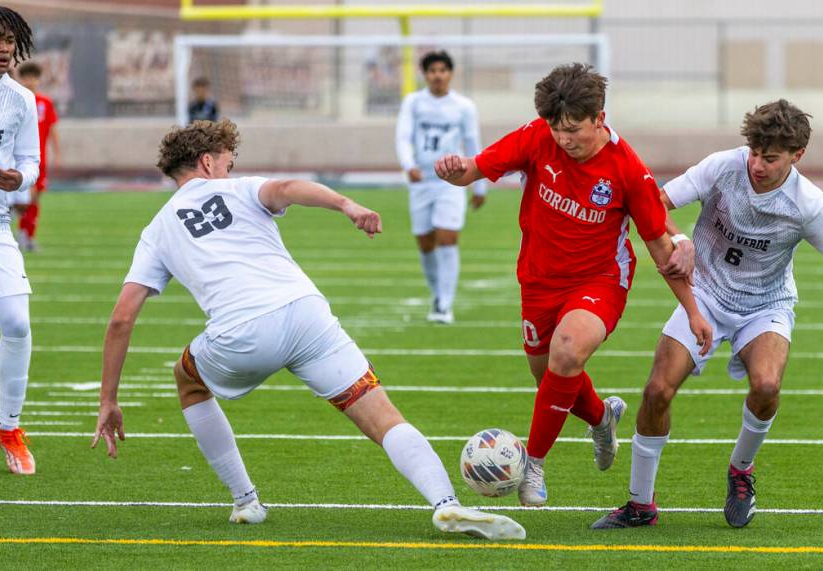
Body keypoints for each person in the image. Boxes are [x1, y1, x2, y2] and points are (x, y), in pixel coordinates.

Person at [91, 119, 526, 540]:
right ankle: (444, 501)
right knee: (381, 415)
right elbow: (286, 189)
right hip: (305, 314)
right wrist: (346, 205)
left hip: (241, 334)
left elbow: (121, 318)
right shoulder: (238, 190)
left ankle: (246, 502)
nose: (231, 169)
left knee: (188, 380)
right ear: (207, 163)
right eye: (227, 161)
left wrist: (108, 399)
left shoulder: (157, 230)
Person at [591, 99, 823, 531]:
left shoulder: (808, 205)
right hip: (706, 295)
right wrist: (680, 241)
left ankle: (741, 471)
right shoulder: (723, 166)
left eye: (770, 158)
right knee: (658, 389)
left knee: (767, 385)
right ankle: (641, 505)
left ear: (796, 156)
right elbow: (654, 204)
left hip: (765, 305)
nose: (757, 164)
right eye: (754, 152)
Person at [434, 63, 712, 507]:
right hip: (538, 279)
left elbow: (660, 245)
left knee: (567, 350)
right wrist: (455, 170)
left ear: (599, 118)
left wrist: (694, 311)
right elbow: (475, 169)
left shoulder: (628, 170)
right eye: (557, 129)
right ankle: (602, 418)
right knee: (548, 374)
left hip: (601, 280)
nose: (564, 139)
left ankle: (533, 463)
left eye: (573, 130)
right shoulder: (535, 136)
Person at [0, 2, 39, 475]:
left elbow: (33, 164)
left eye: (9, 40)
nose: (4, 48)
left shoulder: (20, 99)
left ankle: (8, 425)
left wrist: (18, 178)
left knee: (17, 324)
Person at [395, 50, 486, 324]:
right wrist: (408, 164)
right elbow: (402, 135)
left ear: (450, 73)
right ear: (425, 74)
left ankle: (445, 304)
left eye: (442, 70)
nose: (437, 75)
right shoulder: (413, 102)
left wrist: (479, 186)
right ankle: (437, 295)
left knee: (447, 236)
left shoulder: (464, 106)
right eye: (432, 71)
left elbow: (472, 143)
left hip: (451, 181)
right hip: (422, 180)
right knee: (425, 242)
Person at [10, 61, 58, 251]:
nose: (30, 82)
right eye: (27, 77)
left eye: (34, 78)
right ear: (21, 79)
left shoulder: (45, 103)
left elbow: (53, 129)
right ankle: (20, 232)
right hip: (20, 159)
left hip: (41, 160)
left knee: (35, 199)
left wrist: (57, 152)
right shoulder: (18, 101)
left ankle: (26, 235)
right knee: (24, 198)